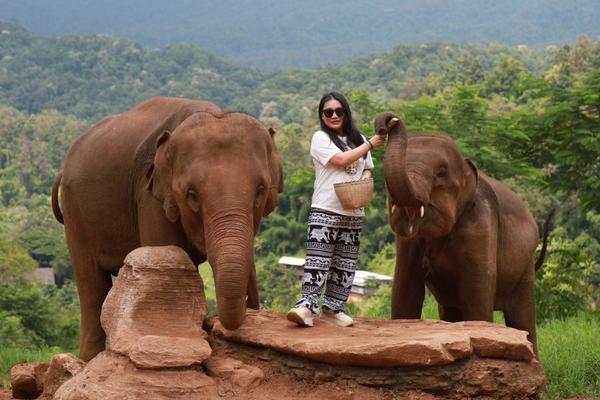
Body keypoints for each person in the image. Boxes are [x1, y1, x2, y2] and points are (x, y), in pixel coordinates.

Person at [286, 92, 385, 327]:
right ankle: (307, 307)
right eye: (328, 112)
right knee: (318, 261)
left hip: (353, 210)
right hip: (325, 209)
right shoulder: (320, 138)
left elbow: (369, 167)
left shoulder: (357, 138)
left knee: (345, 263)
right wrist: (369, 144)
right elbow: (340, 160)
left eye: (338, 111)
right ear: (322, 115)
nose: (333, 115)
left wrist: (362, 180)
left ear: (346, 113)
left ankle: (333, 309)